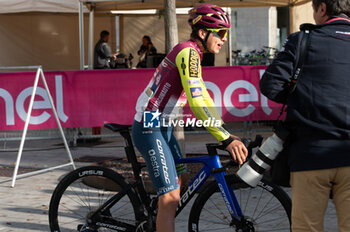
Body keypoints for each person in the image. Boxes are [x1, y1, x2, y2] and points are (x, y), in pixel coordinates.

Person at [131, 4, 248, 232]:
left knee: (181, 182)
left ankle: (156, 220)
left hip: (162, 125)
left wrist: (223, 130)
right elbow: (195, 103)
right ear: (203, 33)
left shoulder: (193, 53)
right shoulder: (188, 52)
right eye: (220, 33)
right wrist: (225, 139)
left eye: (226, 33)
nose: (224, 39)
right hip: (150, 125)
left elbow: (202, 97)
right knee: (171, 197)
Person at [260, 1, 350, 231]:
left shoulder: (302, 40)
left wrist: (301, 99)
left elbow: (270, 85)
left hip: (310, 155)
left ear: (322, 9)